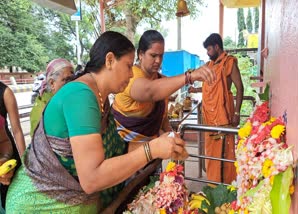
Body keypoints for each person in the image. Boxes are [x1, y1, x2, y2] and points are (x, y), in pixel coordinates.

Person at [6, 31, 187, 213]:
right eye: (128, 66)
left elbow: (119, 150)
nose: (132, 74)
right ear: (109, 60)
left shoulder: (101, 98)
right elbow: (92, 178)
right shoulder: (80, 96)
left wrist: (161, 145)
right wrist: (152, 149)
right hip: (40, 205)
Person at [111, 30, 214, 151]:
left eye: (161, 55)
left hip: (152, 153)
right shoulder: (130, 76)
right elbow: (150, 91)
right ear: (141, 54)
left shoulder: (161, 81)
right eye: (153, 55)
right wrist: (189, 76)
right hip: (125, 153)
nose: (158, 61)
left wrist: (173, 138)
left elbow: (162, 118)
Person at [188, 33, 244, 184]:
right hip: (209, 119)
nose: (207, 52)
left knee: (225, 155)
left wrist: (237, 112)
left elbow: (240, 88)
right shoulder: (209, 66)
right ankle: (213, 185)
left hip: (224, 117)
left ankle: (227, 187)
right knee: (212, 152)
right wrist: (196, 90)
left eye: (209, 49)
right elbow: (210, 86)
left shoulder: (229, 63)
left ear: (217, 47)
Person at [29, 58, 74, 137]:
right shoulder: (44, 106)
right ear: (52, 83)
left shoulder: (65, 100)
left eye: (72, 79)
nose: (71, 84)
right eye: (66, 80)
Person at [0, 81, 25, 209]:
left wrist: (25, 161)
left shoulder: (5, 92)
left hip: (5, 152)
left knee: (8, 194)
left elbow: (17, 131)